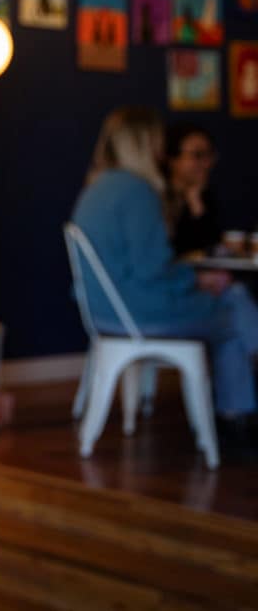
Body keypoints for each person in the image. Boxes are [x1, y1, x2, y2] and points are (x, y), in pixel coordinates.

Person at [71, 107, 258, 445]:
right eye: (157, 143)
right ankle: (235, 417)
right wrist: (198, 280)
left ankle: (236, 415)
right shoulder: (137, 192)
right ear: (144, 145)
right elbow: (152, 269)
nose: (161, 153)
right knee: (233, 315)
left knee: (232, 307)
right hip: (141, 311)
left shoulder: (97, 189)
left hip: (107, 312)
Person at [161, 122, 221, 256]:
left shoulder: (204, 195)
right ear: (172, 159)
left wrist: (196, 203)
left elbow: (210, 248)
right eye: (197, 155)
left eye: (209, 154)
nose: (206, 163)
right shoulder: (155, 197)